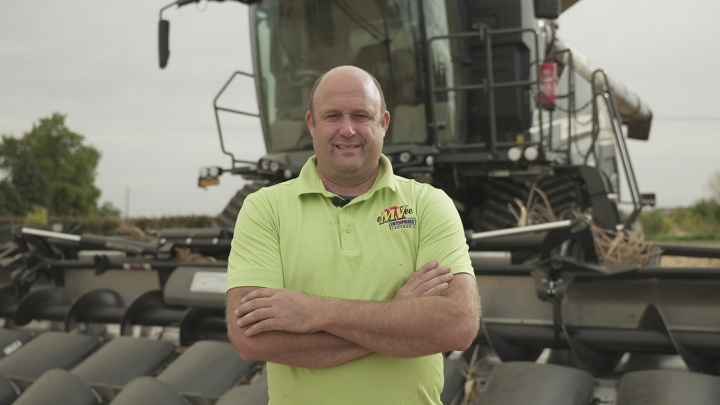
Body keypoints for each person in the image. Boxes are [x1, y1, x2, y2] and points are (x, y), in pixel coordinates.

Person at [225, 65, 480, 404]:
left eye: (361, 115)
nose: (347, 129)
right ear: (312, 124)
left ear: (383, 123)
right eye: (332, 116)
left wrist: (315, 312)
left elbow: (457, 325)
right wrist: (397, 316)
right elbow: (252, 341)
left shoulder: (428, 204)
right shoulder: (264, 209)